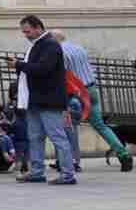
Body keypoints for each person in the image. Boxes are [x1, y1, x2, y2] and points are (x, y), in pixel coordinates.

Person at [52, 30, 131, 171]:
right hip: (91, 88)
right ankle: (123, 154)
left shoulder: (60, 52)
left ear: (54, 40)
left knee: (69, 126)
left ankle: (70, 161)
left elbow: (63, 75)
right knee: (100, 125)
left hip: (76, 93)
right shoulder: (79, 48)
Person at [11, 15, 75, 185]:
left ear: (38, 27)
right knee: (35, 136)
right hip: (36, 99)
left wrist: (18, 65)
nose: (26, 35)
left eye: (28, 31)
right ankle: (37, 171)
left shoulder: (50, 45)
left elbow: (43, 69)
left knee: (57, 137)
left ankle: (68, 174)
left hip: (49, 100)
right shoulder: (39, 45)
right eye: (24, 32)